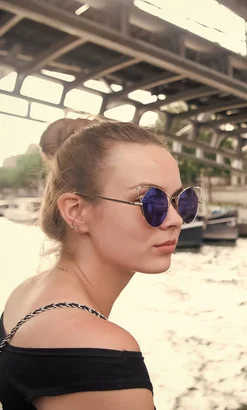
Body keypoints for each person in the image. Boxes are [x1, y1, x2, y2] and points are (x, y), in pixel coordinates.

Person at [0, 118, 200, 409]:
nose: (176, 219)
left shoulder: (26, 294)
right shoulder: (104, 354)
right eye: (150, 201)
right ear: (77, 212)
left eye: (181, 200)